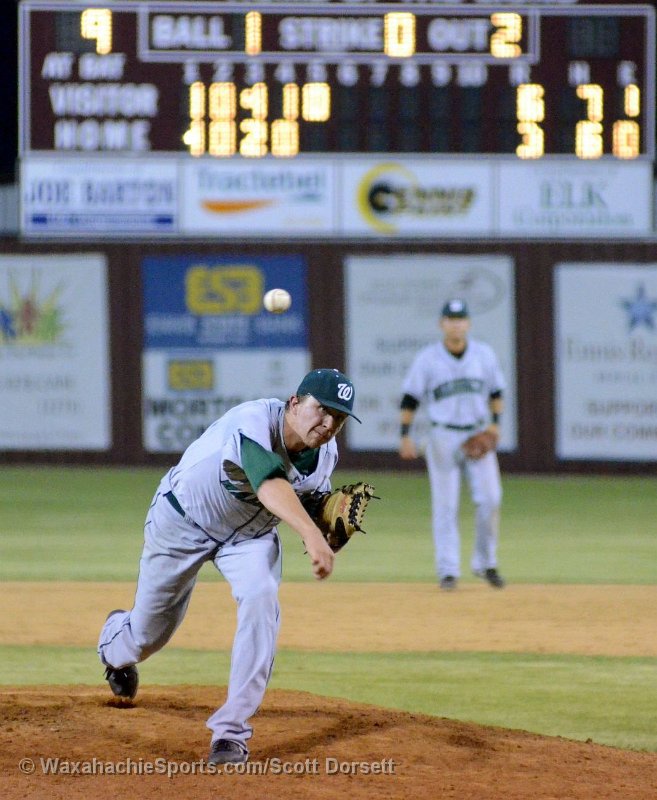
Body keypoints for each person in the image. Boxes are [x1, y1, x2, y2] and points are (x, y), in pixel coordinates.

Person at [98, 368, 360, 765]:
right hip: (183, 520)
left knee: (261, 595)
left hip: (249, 538)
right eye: (322, 410)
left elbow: (308, 502)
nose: (328, 424)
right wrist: (310, 532)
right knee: (147, 636)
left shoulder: (325, 454)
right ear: (294, 403)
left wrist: (326, 524)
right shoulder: (252, 421)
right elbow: (268, 481)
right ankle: (115, 645)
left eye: (338, 418)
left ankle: (231, 732)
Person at [398, 299, 506, 591]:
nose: (456, 324)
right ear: (441, 324)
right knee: (445, 506)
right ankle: (448, 570)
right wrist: (405, 434)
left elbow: (497, 392)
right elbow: (410, 398)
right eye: (450, 319)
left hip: (477, 433)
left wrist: (495, 425)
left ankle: (486, 563)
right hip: (442, 436)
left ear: (468, 323)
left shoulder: (483, 354)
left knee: (491, 498)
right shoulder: (428, 358)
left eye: (460, 319)